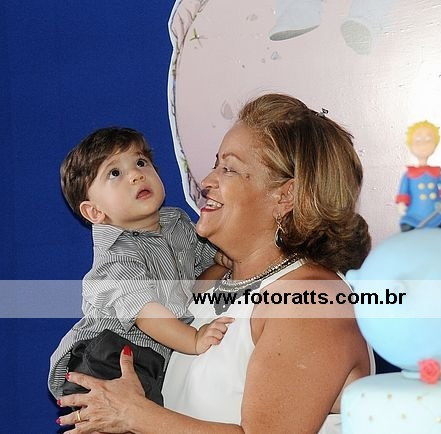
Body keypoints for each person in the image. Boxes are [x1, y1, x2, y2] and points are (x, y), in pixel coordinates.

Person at [56, 94, 374, 433]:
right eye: (215, 164)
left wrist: (135, 414)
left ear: (286, 196)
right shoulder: (204, 291)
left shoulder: (312, 300)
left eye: (229, 169)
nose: (207, 181)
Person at [49, 127, 232, 405]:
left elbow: (197, 287)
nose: (136, 174)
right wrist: (194, 340)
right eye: (115, 173)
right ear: (94, 211)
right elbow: (146, 315)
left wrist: (221, 263)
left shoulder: (178, 224)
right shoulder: (115, 256)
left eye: (141, 162)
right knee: (134, 415)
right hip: (108, 356)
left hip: (155, 356)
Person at [395, 120, 441, 232]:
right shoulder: (409, 174)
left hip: (436, 213)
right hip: (414, 213)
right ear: (410, 145)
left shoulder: (436, 173)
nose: (423, 145)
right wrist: (402, 203)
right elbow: (403, 192)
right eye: (418, 140)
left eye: (428, 140)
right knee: (408, 227)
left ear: (435, 144)